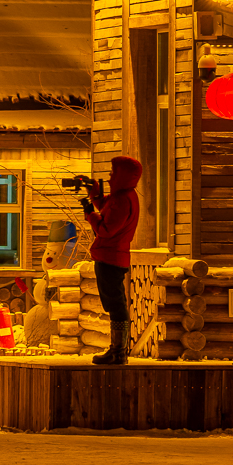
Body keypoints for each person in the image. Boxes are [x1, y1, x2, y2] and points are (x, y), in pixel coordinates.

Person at [80, 155, 141, 366]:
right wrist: (96, 196)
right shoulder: (124, 196)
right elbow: (108, 208)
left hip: (110, 256)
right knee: (115, 302)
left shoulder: (123, 199)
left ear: (123, 175)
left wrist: (89, 213)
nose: (110, 175)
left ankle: (118, 351)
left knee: (115, 304)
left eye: (113, 172)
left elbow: (106, 229)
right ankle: (117, 350)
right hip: (114, 255)